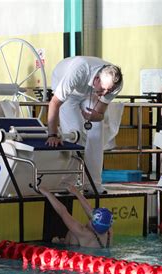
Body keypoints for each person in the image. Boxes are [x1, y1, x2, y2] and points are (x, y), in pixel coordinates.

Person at [46, 56, 123, 194]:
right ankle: (67, 184)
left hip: (88, 92)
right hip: (67, 89)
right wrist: (52, 134)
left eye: (108, 92)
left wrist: (94, 117)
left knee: (97, 132)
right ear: (97, 79)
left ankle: (93, 183)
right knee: (76, 135)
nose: (105, 94)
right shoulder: (78, 71)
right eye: (104, 89)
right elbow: (54, 103)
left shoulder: (115, 84)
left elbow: (100, 112)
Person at [39, 185, 113, 248]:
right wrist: (76, 192)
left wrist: (47, 193)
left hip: (77, 257)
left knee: (73, 232)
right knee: (76, 233)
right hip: (98, 259)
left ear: (94, 222)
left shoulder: (83, 233)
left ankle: (61, 243)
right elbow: (90, 211)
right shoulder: (109, 230)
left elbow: (63, 212)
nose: (92, 212)